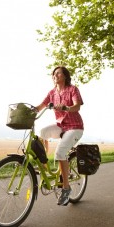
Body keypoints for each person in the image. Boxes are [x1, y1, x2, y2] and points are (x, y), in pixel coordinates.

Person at [35, 66, 84, 206]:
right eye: (53, 74)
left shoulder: (72, 89)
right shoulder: (52, 93)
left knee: (60, 152)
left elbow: (77, 106)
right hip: (61, 125)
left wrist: (67, 108)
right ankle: (45, 169)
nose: (55, 75)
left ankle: (66, 188)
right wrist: (30, 111)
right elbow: (40, 107)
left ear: (65, 76)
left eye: (58, 73)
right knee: (42, 132)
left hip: (75, 127)